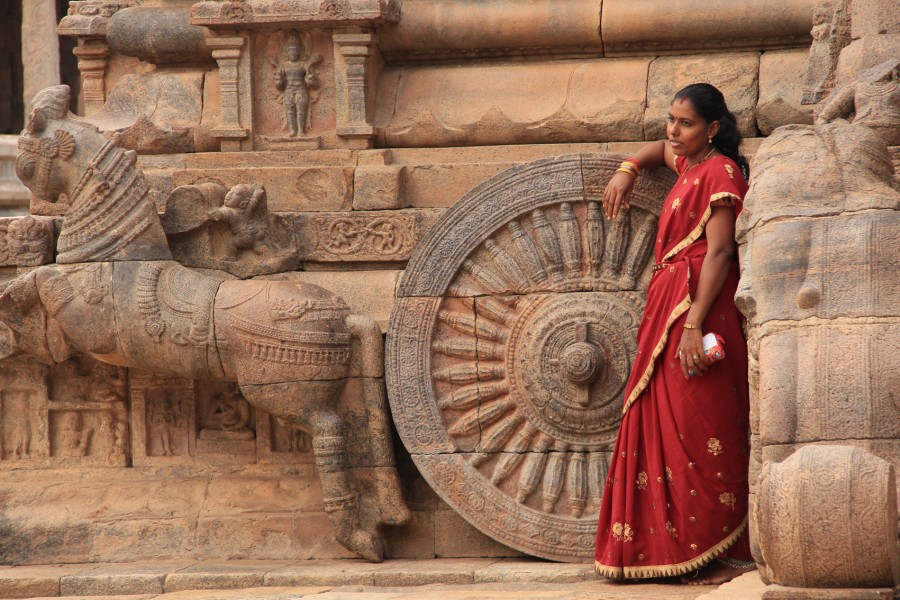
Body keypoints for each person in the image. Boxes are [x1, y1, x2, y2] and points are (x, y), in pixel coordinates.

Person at [594, 83, 756, 585]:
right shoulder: (688, 165)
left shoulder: (720, 172)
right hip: (669, 302)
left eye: (685, 124)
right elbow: (657, 151)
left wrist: (692, 324)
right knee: (662, 421)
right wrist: (628, 168)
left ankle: (717, 547)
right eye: (670, 120)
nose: (672, 131)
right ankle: (665, 546)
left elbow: (720, 253)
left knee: (699, 424)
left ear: (712, 130)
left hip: (698, 310)